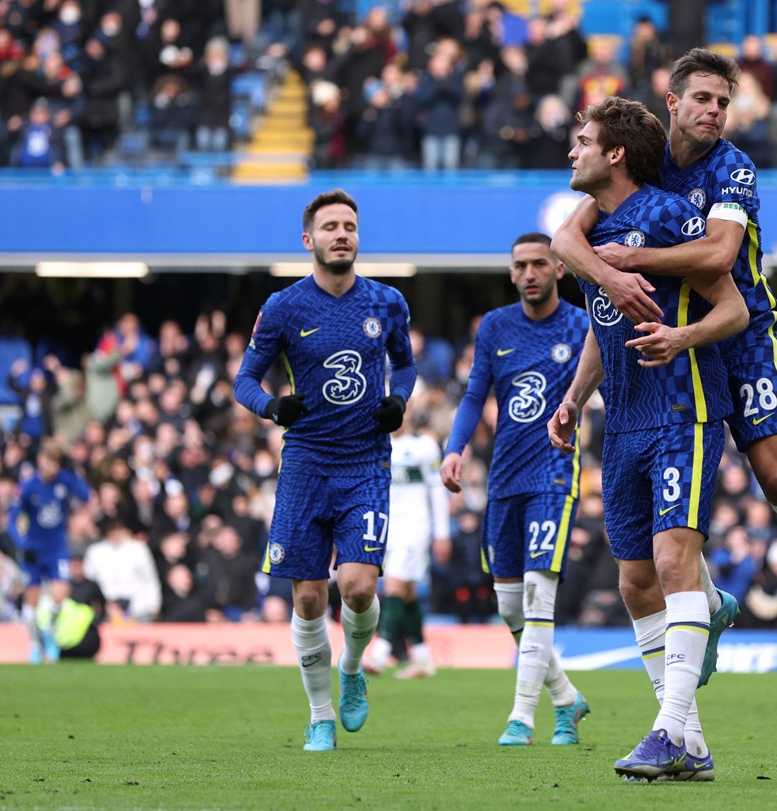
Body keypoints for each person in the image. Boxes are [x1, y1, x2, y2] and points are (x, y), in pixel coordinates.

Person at [552, 48, 777, 690]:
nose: (715, 111)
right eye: (703, 99)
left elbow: (719, 255)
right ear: (673, 101)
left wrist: (629, 264)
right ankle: (707, 607)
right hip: (668, 340)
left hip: (740, 332)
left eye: (724, 101)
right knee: (664, 523)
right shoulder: (640, 159)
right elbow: (566, 241)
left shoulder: (733, 167)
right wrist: (608, 274)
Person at [547, 95, 749, 781]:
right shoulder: (592, 227)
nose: (571, 150)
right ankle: (686, 738)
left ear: (615, 154)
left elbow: (734, 305)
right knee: (635, 580)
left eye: (582, 141)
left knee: (671, 564)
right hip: (623, 419)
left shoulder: (663, 214)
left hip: (683, 408)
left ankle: (667, 733)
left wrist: (681, 335)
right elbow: (605, 327)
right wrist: (574, 398)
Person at [233, 189, 417, 752]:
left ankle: (353, 667)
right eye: (331, 227)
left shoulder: (387, 303)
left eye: (350, 226)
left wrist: (399, 400)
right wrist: (271, 407)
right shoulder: (284, 307)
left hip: (365, 461)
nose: (343, 234)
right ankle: (319, 716)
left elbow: (404, 366)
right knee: (309, 598)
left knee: (357, 587)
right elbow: (245, 379)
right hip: (306, 464)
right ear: (309, 240)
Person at [440, 232, 591, 747]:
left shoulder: (581, 325)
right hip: (504, 477)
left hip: (553, 473)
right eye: (521, 265)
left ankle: (522, 717)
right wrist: (455, 447)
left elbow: (605, 390)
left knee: (535, 594)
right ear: (511, 272)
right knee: (508, 606)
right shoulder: (495, 327)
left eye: (539, 264)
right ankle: (568, 699)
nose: (530, 272)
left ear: (559, 269)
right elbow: (474, 393)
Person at [365, 404, 449, 679]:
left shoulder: (424, 446)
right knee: (407, 592)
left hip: (416, 528)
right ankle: (423, 659)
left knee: (394, 585)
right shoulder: (378, 443)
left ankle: (380, 652)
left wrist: (442, 533)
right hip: (388, 528)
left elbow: (437, 491)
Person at [7, 439, 91, 663]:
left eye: (56, 463)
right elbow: (11, 520)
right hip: (33, 552)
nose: (52, 467)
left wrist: (74, 473)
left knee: (59, 597)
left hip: (57, 550)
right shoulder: (28, 486)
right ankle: (35, 645)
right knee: (31, 604)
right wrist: (22, 544)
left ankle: (49, 635)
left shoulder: (65, 480)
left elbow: (86, 496)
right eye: (48, 461)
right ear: (40, 460)